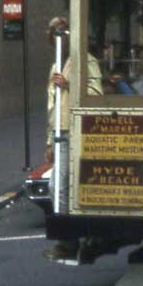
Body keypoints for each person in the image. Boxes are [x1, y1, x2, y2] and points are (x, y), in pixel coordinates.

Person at [44, 17, 103, 260]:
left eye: (62, 32)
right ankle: (71, 238)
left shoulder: (86, 61)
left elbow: (96, 95)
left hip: (78, 131)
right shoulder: (56, 64)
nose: (58, 37)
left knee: (68, 184)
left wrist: (70, 85)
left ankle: (72, 240)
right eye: (54, 33)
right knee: (59, 185)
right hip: (60, 130)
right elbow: (52, 105)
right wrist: (49, 139)